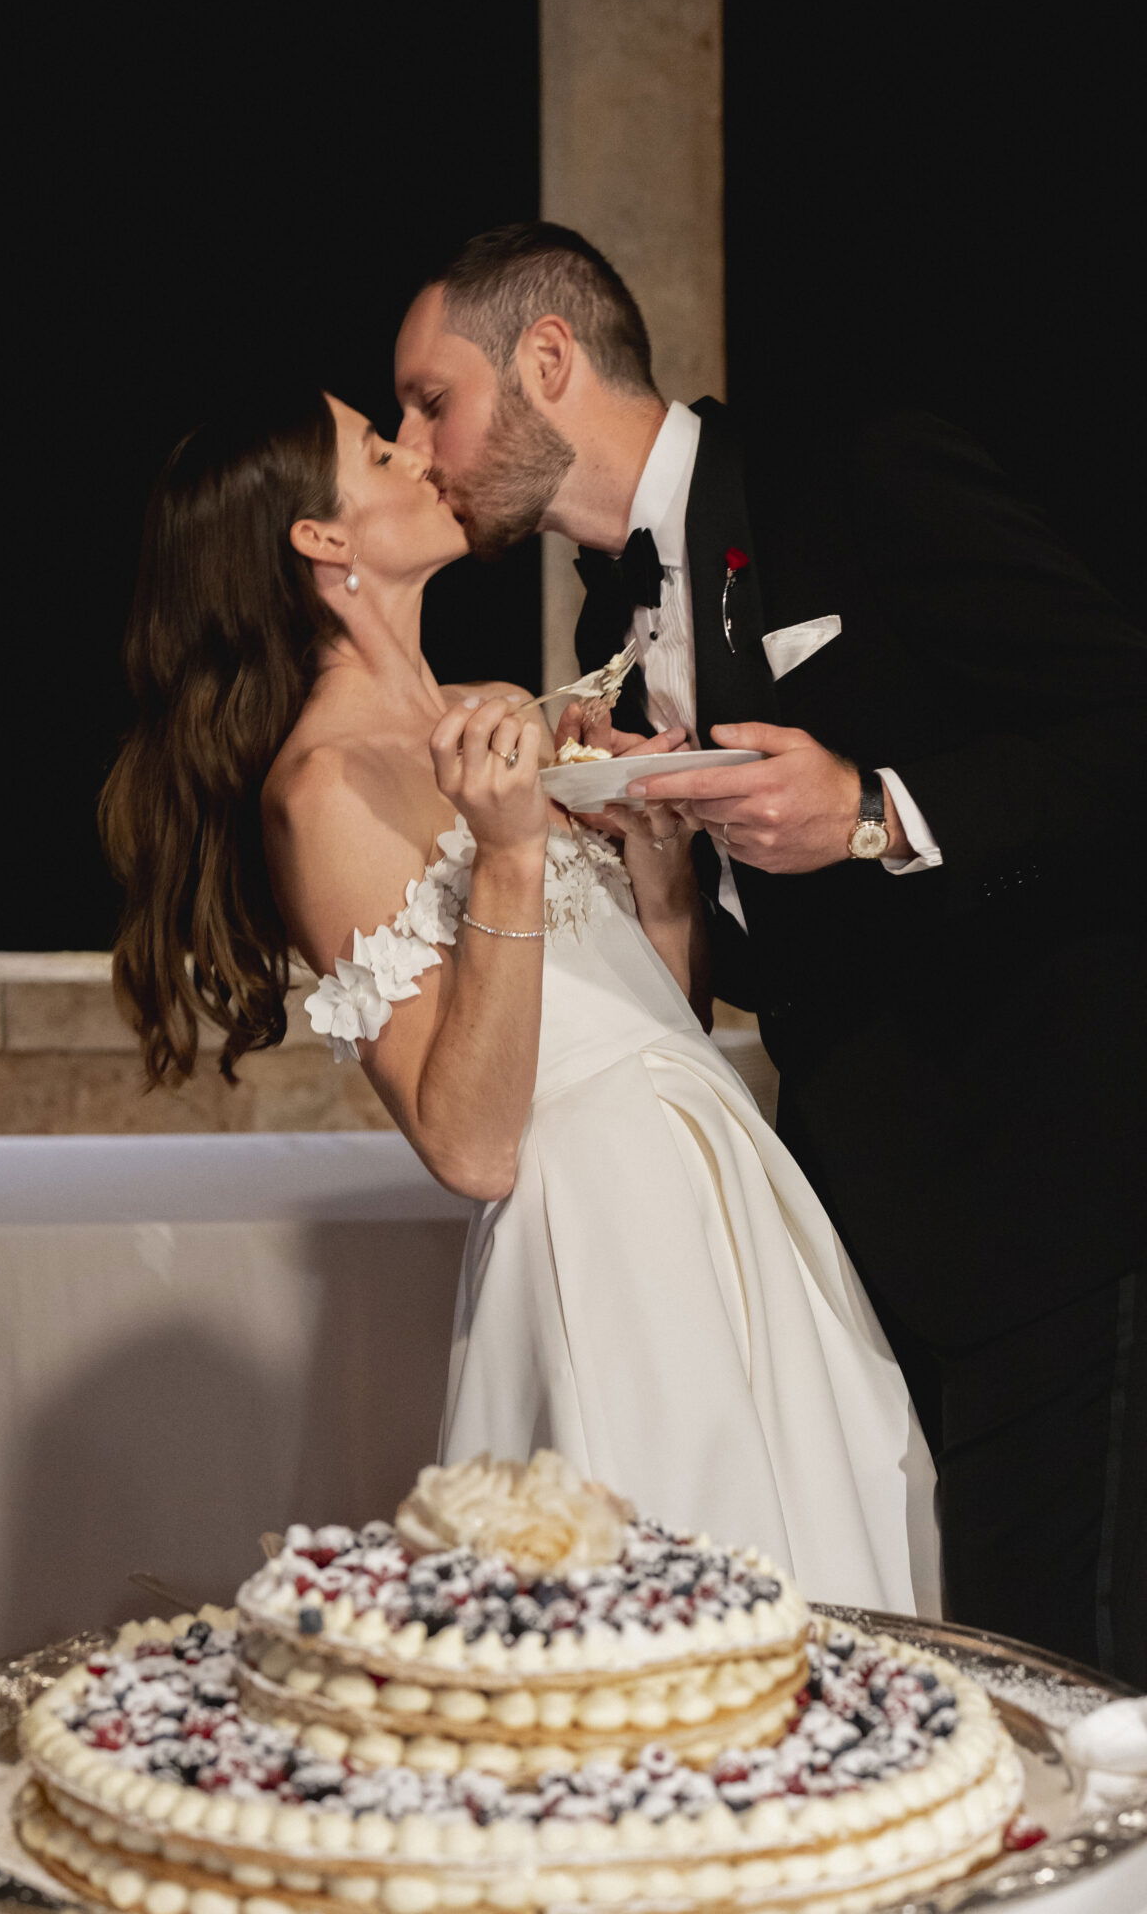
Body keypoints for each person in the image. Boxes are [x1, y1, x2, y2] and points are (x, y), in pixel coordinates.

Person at [393, 221, 1147, 1686]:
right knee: (925, 1672)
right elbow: (763, 954)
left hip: (1054, 1192)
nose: (423, 447)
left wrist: (876, 809)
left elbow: (1125, 726)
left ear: (548, 358)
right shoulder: (607, 620)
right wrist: (670, 870)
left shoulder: (857, 472)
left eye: (436, 400)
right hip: (856, 1220)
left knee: (1077, 1686)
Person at [99, 388, 940, 1616]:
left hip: (716, 1183)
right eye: (381, 451)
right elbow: (471, 1143)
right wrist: (505, 852)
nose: (420, 456)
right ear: (320, 539)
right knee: (654, 1619)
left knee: (826, 1562)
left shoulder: (488, 712)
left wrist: (648, 851)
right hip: (598, 1236)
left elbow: (661, 1016)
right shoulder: (320, 790)